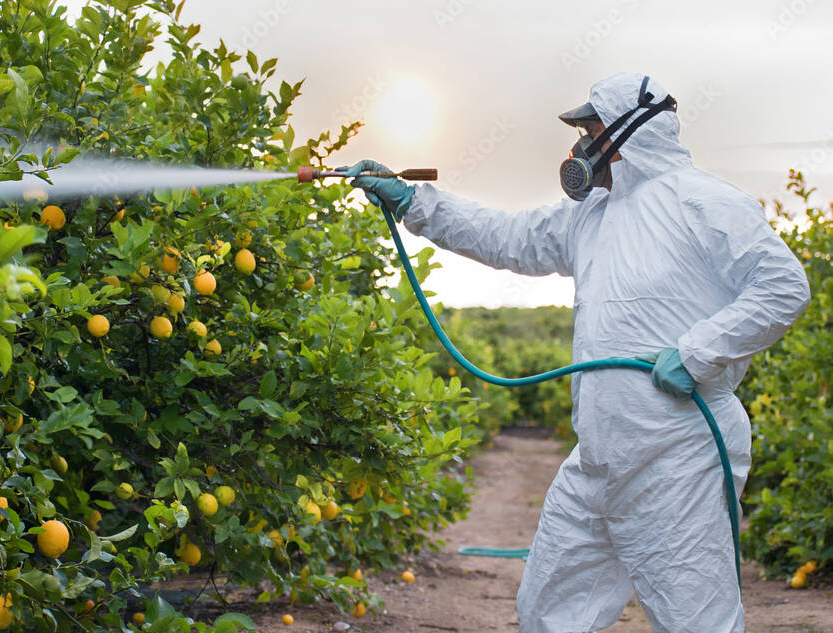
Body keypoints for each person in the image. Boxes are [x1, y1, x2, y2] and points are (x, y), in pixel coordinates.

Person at [343, 72, 811, 633]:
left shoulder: (705, 202)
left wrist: (698, 353)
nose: (577, 145)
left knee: (696, 621)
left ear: (624, 134)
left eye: (588, 129)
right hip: (598, 458)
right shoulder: (592, 215)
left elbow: (783, 286)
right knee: (549, 611)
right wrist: (413, 201)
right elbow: (506, 236)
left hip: (679, 456)